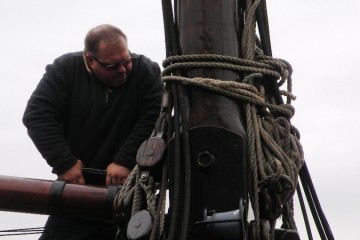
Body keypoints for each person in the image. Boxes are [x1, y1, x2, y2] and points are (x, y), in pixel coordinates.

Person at [22, 24, 164, 240]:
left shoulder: (146, 71)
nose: (123, 70)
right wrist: (65, 163)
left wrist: (125, 160)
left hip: (132, 197)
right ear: (90, 60)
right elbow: (37, 115)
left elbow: (154, 118)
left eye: (126, 61)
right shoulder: (65, 70)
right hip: (77, 192)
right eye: (113, 65)